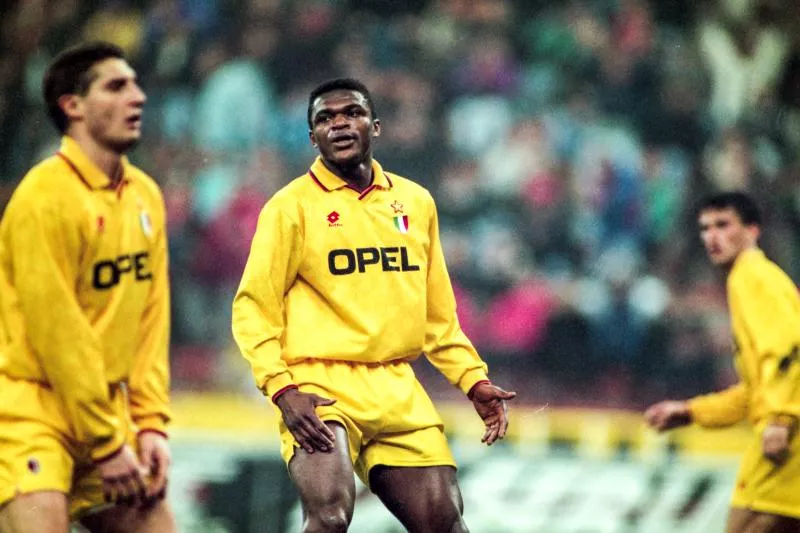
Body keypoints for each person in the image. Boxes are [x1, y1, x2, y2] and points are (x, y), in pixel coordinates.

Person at [232, 77, 516, 533]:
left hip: (396, 385)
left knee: (446, 523)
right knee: (329, 515)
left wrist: (473, 380)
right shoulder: (289, 208)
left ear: (375, 126)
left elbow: (438, 319)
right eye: (325, 118)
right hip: (319, 382)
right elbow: (252, 308)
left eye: (352, 113)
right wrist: (283, 389)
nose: (340, 124)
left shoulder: (416, 202)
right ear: (312, 137)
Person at [0, 42, 175, 533]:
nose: (137, 97)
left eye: (137, 85)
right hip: (32, 416)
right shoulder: (43, 198)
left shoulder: (145, 195)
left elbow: (150, 320)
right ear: (72, 106)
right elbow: (58, 333)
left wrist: (151, 423)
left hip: (105, 417)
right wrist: (105, 441)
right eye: (116, 86)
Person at [644, 191, 800, 533]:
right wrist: (691, 412)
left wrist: (781, 419)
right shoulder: (750, 279)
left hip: (787, 445)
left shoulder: (753, 276)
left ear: (752, 230)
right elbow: (755, 390)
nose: (712, 237)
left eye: (723, 225)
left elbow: (791, 351)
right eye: (705, 228)